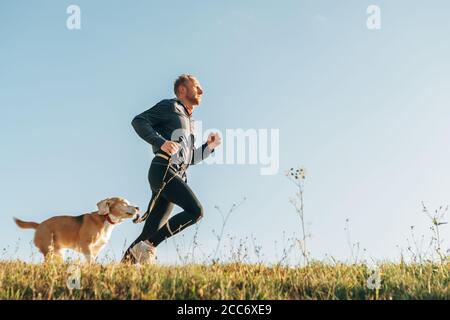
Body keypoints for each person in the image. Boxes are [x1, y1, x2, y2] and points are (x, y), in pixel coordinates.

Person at [122, 74, 221, 264]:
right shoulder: (170, 106)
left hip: (176, 174)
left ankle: (118, 272)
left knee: (148, 233)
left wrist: (209, 147)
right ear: (182, 90)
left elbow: (189, 158)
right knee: (195, 211)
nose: (201, 91)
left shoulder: (189, 123)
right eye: (197, 86)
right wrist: (160, 142)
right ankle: (150, 246)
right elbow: (138, 121)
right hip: (163, 169)